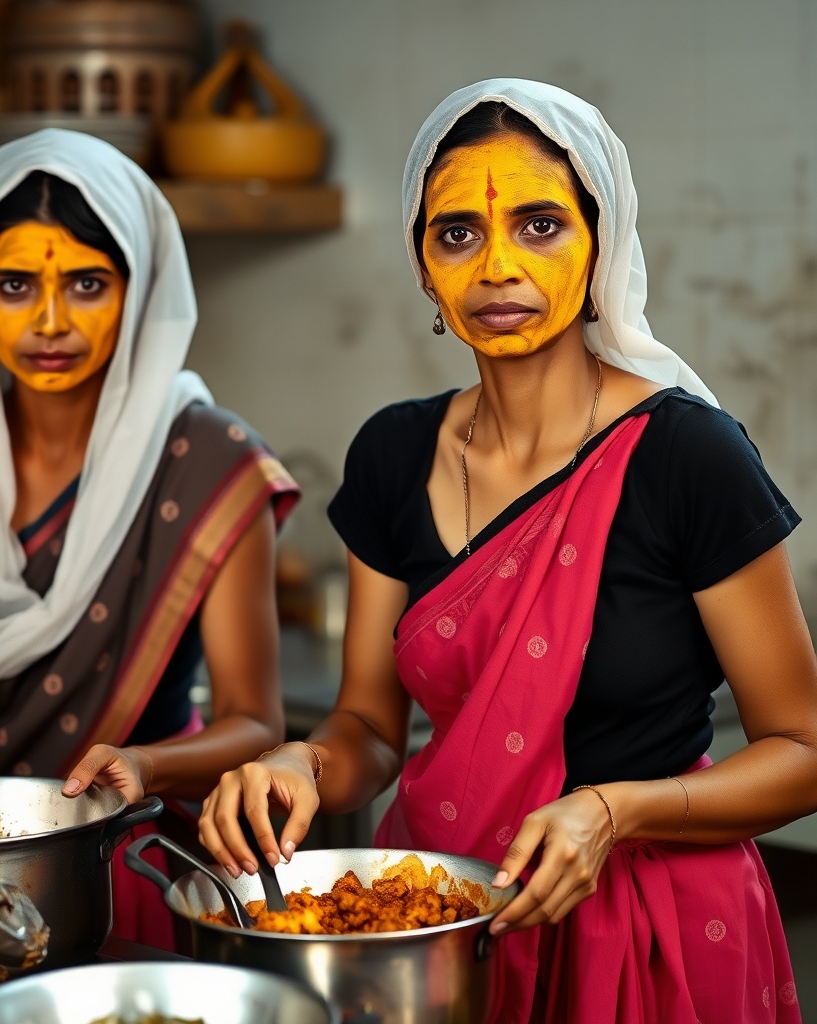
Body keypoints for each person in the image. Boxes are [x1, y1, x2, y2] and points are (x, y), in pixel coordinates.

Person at [197, 80, 817, 1022]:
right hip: (441, 925)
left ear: (599, 243)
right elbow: (367, 728)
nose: (496, 265)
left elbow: (803, 750)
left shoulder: (690, 456)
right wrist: (301, 766)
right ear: (420, 265)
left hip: (651, 940)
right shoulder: (392, 456)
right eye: (456, 234)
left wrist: (617, 813)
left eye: (538, 225)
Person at [0, 129, 298, 946]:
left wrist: (144, 766)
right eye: (12, 285)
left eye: (85, 283)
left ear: (136, 290)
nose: (48, 320)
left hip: (125, 857)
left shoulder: (210, 461)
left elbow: (256, 723)